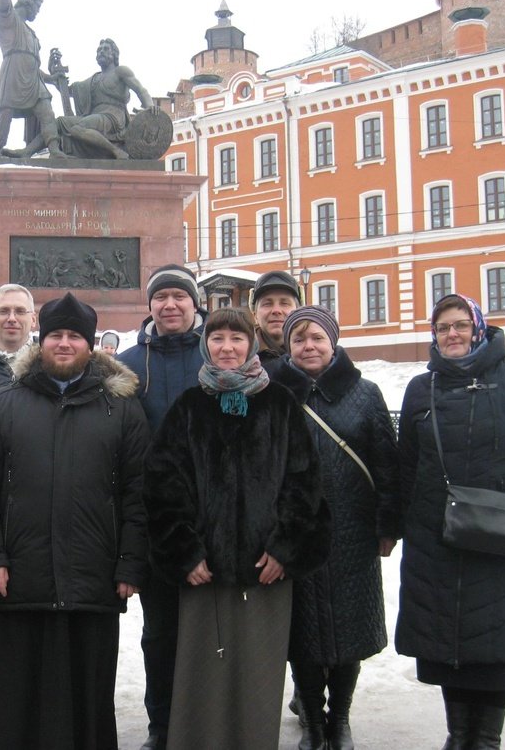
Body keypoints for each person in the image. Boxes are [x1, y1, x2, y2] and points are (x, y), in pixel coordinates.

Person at [0, 292, 150, 749]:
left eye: (74, 336)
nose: (64, 344)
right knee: (18, 700)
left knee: (87, 698)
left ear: (90, 344)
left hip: (93, 578)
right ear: (40, 341)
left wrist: (130, 562)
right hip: (20, 576)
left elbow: (139, 491)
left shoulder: (121, 408)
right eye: (55, 335)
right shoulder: (3, 404)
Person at [143, 307, 330, 750]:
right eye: (217, 338)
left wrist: (284, 548)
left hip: (265, 570)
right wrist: (185, 551)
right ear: (205, 344)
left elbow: (304, 482)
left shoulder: (280, 403)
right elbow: (164, 485)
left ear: (252, 345)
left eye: (237, 338)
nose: (226, 347)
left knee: (256, 671)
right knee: (202, 674)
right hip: (203, 571)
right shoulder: (189, 406)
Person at [396, 294, 505, 750]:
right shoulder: (421, 388)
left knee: (496, 642)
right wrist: (397, 524)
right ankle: (458, 736)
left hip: (501, 537)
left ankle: (486, 740)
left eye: (461, 325)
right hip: (436, 539)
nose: (452, 334)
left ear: (479, 328)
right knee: (448, 644)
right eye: (443, 327)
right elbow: (406, 466)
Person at [270, 306, 400, 750]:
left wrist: (387, 524)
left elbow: (385, 464)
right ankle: (311, 718)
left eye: (317, 338)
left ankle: (339, 718)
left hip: (352, 532)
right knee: (302, 632)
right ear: (287, 347)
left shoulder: (365, 394)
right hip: (295, 533)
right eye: (299, 339)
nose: (308, 347)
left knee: (349, 630)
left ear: (333, 342)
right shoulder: (273, 395)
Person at [116, 263, 206, 750]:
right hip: (156, 522)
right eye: (161, 297)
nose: (170, 305)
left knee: (212, 630)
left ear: (195, 303)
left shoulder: (219, 352)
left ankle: (209, 721)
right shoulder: (128, 365)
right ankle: (163, 724)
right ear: (149, 306)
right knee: (162, 633)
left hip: (212, 519)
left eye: (179, 296)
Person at [6, 38, 157, 160]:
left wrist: (150, 106)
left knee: (77, 128)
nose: (101, 52)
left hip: (113, 118)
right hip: (96, 117)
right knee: (58, 122)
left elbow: (141, 90)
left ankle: (116, 151)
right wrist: (55, 74)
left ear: (114, 54)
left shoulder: (121, 71)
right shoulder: (93, 80)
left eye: (105, 49)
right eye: (99, 50)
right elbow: (68, 91)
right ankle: (27, 152)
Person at [0, 0, 64, 158]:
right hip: (14, 73)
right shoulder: (9, 18)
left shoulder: (32, 34)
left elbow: (33, 67)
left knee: (47, 111)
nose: (37, 12)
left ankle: (54, 149)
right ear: (28, 2)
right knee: (6, 111)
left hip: (34, 80)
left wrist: (51, 78)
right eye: (37, 7)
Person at [0, 283, 37, 384]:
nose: (12, 318)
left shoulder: (47, 360)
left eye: (20, 311)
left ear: (33, 320)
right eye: (3, 311)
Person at [252, 270, 302, 373]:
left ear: (298, 311)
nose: (276, 310)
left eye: (284, 303)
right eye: (267, 304)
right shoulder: (241, 357)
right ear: (255, 315)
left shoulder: (313, 353)